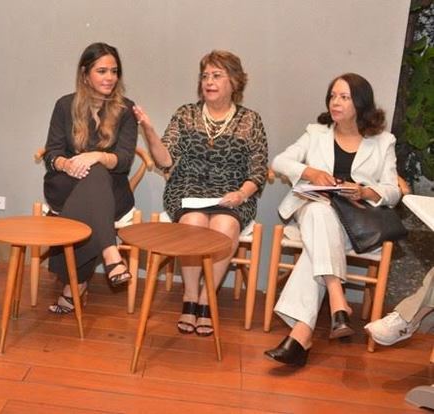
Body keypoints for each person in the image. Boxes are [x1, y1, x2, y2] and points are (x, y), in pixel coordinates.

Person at [264, 73, 401, 366]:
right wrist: (311, 173)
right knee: (319, 209)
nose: (335, 102)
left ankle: (302, 334)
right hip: (313, 208)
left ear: (361, 103)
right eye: (332, 96)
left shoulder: (382, 141)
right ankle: (338, 298)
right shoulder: (316, 132)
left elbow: (392, 191)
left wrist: (364, 190)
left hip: (354, 221)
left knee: (317, 237)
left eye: (344, 97)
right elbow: (279, 162)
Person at [133, 50, 268, 336]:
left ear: (234, 82)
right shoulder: (187, 114)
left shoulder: (250, 121)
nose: (209, 81)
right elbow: (165, 160)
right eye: (205, 76)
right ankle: (190, 297)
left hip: (232, 193)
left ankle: (208, 299)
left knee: (224, 225)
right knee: (193, 225)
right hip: (188, 187)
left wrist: (242, 194)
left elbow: (257, 171)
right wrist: (149, 131)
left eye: (216, 75)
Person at [42, 42, 138, 314]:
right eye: (102, 71)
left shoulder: (126, 110)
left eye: (114, 71)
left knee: (96, 174)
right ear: (85, 75)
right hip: (67, 185)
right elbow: (52, 153)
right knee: (91, 179)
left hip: (111, 190)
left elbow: (125, 160)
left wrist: (96, 156)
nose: (109, 77)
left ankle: (75, 285)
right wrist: (67, 164)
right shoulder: (64, 105)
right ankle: (111, 252)